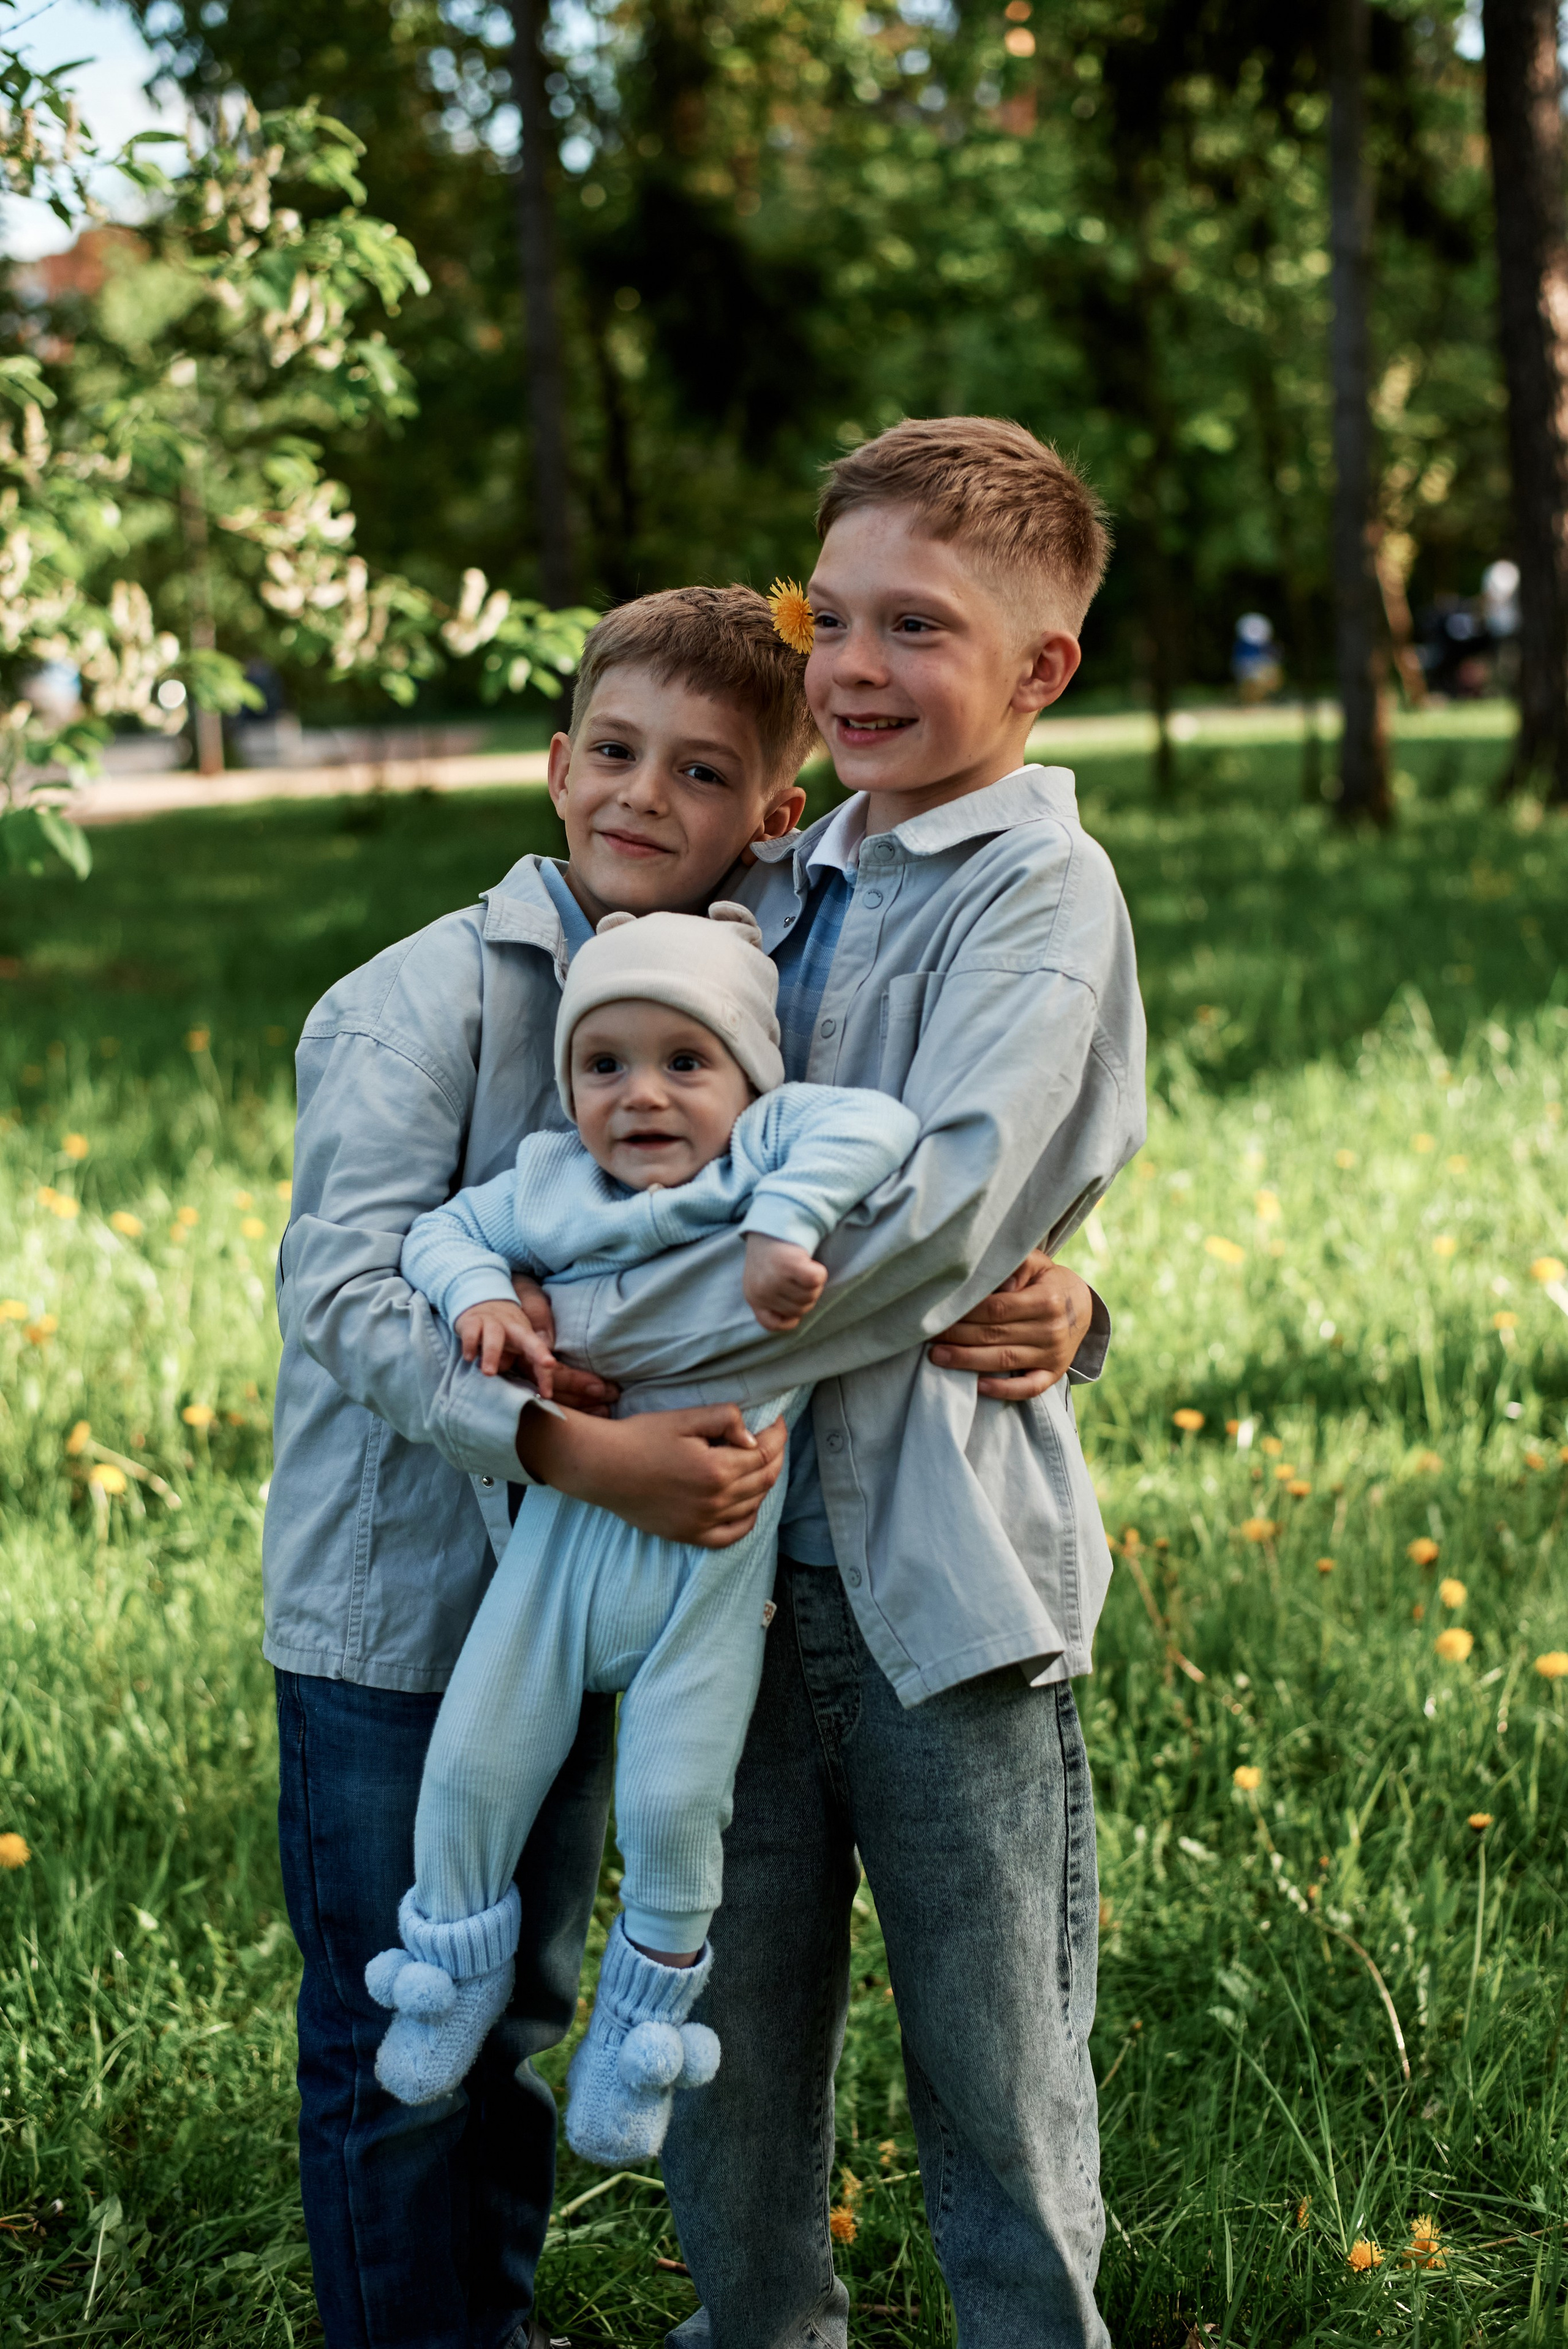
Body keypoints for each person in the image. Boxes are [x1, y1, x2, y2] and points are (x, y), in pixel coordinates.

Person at [264, 581, 1098, 2349]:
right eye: (618, 756)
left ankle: (487, 2317)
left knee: (528, 1981)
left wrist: (1074, 1304)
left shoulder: (760, 964)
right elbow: (347, 1296)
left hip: (598, 1586)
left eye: (706, 772)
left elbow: (911, 1179)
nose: (652, 797)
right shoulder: (419, 1002)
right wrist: (576, 1443)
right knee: (399, 2016)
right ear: (557, 767)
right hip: (411, 1582)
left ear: (769, 819)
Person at [531, 417, 1147, 2349]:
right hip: (722, 1568)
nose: (859, 668)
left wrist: (607, 1365)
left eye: (923, 629)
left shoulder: (1039, 902)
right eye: (837, 618)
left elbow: (947, 1225)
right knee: (723, 2032)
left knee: (995, 2065)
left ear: (1042, 669)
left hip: (935, 1581)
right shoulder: (786, 877)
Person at [364, 902, 918, 2161]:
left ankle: (640, 2033)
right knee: (470, 1765)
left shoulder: (761, 1157)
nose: (642, 1096)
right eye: (602, 1065)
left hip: (707, 1584)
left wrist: (785, 1222)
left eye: (686, 1061)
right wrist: (489, 1298)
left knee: (675, 1805)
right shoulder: (553, 1183)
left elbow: (875, 1124)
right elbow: (436, 1230)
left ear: (745, 1077)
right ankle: (445, 1970)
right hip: (562, 1551)